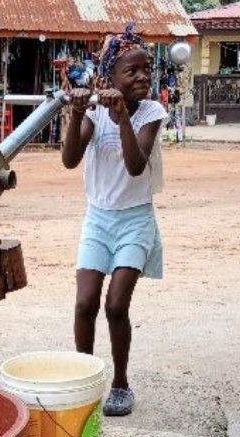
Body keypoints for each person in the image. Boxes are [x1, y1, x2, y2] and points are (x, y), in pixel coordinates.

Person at [61, 23, 167, 417]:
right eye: (131, 71)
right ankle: (84, 381)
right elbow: (70, 160)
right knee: (84, 303)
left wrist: (123, 118)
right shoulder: (93, 112)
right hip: (98, 219)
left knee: (116, 305)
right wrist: (75, 114)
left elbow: (136, 166)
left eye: (146, 70)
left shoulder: (153, 112)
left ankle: (120, 383)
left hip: (135, 220)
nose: (142, 77)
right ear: (110, 78)